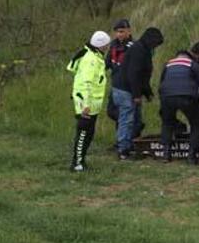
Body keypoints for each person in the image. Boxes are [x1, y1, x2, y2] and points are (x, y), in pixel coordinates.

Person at [158, 50, 199, 164]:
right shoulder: (193, 65)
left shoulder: (168, 64)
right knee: (196, 123)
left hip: (167, 96)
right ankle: (191, 155)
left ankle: (166, 154)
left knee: (167, 123)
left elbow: (162, 83)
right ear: (190, 57)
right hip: (187, 96)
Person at [66, 30, 110, 171]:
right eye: (106, 44)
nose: (107, 47)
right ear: (101, 45)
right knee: (83, 133)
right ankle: (77, 163)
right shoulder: (91, 59)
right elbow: (87, 83)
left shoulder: (96, 57)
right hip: (86, 104)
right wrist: (85, 105)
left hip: (92, 104)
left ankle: (81, 161)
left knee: (89, 133)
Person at [123, 27, 164, 159]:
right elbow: (134, 74)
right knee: (129, 120)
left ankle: (133, 145)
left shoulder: (144, 50)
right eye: (156, 44)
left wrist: (148, 93)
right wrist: (136, 95)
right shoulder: (138, 50)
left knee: (135, 120)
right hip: (127, 90)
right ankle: (124, 149)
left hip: (133, 90)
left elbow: (144, 76)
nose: (156, 47)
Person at [106, 18, 135, 157]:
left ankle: (124, 146)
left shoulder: (133, 47)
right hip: (115, 85)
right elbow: (107, 64)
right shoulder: (113, 46)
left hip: (127, 87)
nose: (119, 34)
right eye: (117, 32)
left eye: (122, 31)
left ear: (129, 31)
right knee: (114, 113)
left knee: (126, 117)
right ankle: (124, 141)